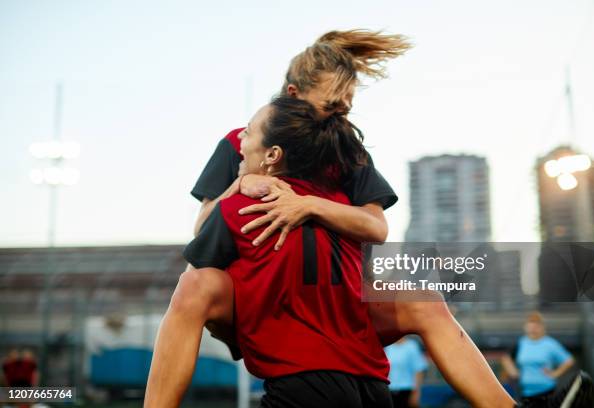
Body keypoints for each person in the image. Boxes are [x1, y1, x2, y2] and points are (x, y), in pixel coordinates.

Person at [145, 29, 516, 408]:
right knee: (195, 284)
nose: (342, 115)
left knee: (424, 301)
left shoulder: (346, 148)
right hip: (265, 295)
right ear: (295, 96)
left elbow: (376, 226)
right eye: (332, 106)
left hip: (340, 300)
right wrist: (242, 182)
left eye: (347, 107)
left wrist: (309, 205)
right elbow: (203, 227)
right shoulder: (244, 142)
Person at [185, 96, 392, 407]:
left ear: (272, 155)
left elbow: (196, 283)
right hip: (374, 387)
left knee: (190, 290)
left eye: (249, 131)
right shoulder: (345, 211)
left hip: (305, 385)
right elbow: (376, 231)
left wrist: (236, 340)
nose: (240, 137)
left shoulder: (239, 210)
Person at [502, 312, 594, 407]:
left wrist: (555, 373)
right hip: (525, 393)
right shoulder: (521, 343)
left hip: (546, 393)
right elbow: (506, 358)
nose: (533, 329)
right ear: (526, 327)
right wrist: (514, 372)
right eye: (530, 326)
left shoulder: (550, 344)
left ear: (542, 327)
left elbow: (569, 360)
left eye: (536, 326)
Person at [385, 336, 428, 408]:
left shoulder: (412, 346)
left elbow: (418, 370)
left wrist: (416, 392)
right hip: (389, 391)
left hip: (407, 391)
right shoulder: (387, 347)